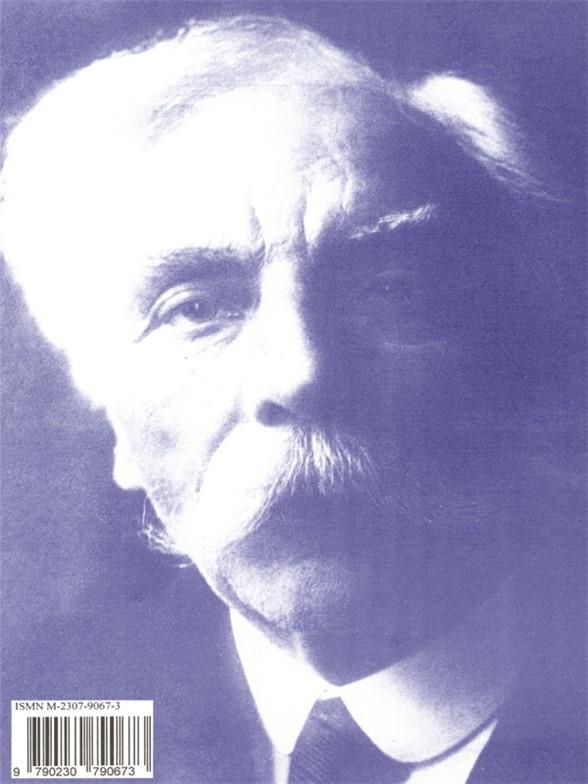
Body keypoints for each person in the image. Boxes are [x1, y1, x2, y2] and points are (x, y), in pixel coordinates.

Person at [1, 12, 585, 784]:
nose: (301, 373)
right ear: (117, 424)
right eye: (197, 309)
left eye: (393, 290)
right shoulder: (55, 720)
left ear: (517, 366)